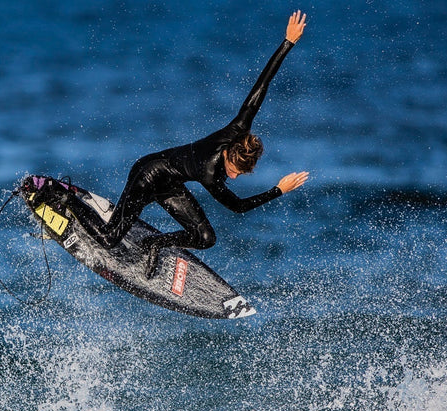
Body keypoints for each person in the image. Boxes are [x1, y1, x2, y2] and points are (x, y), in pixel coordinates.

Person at [65, 10, 310, 278]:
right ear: (227, 153)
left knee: (205, 237)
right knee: (109, 239)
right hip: (147, 175)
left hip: (169, 184)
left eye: (240, 173)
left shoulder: (239, 129)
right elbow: (237, 207)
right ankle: (63, 198)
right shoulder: (208, 172)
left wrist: (288, 42)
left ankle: (153, 244)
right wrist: (278, 190)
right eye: (233, 169)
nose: (234, 176)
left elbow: (261, 87)